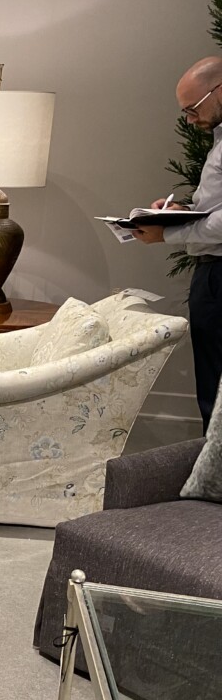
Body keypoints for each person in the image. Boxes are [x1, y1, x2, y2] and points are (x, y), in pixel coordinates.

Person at [132, 55, 222, 427]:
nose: (189, 119)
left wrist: (168, 232)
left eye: (192, 108)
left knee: (215, 397)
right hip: (212, 273)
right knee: (212, 393)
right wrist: (183, 210)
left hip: (219, 274)